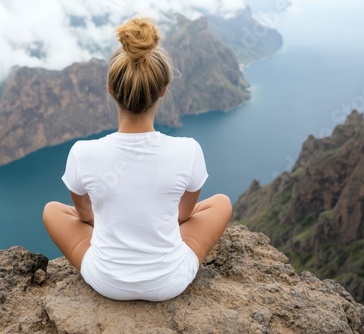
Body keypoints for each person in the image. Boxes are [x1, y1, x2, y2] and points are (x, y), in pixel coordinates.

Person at [43, 16, 232, 302]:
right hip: (170, 282)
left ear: (110, 90)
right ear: (163, 91)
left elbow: (84, 216)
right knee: (222, 203)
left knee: (52, 211)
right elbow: (183, 215)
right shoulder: (189, 150)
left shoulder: (82, 153)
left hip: (106, 281)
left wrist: (116, 216)